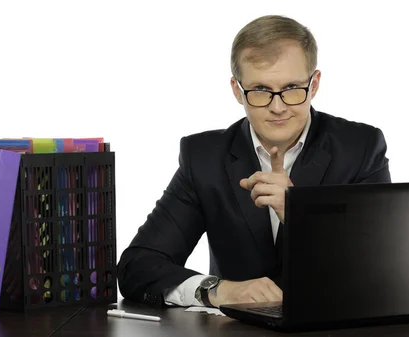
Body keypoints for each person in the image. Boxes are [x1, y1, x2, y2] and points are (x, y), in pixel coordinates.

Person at [117, 14, 391, 309]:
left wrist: (301, 214)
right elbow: (137, 266)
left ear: (314, 85)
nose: (277, 107)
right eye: (260, 90)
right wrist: (216, 290)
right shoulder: (204, 157)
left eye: (291, 89)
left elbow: (384, 268)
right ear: (237, 90)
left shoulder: (360, 148)